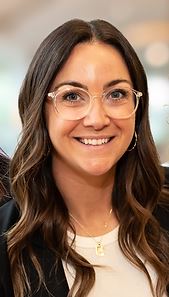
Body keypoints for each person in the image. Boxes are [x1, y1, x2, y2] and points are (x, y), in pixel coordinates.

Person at [0, 18, 169, 297]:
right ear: (39, 111)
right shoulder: (8, 245)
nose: (97, 118)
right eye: (72, 96)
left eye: (116, 94)